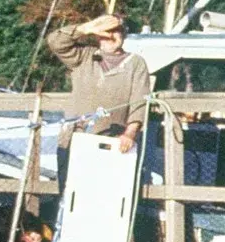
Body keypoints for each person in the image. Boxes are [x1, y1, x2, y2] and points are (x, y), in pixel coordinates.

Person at [46, 13, 151, 189]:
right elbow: (54, 42)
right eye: (105, 31)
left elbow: (139, 102)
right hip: (74, 140)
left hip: (112, 144)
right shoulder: (83, 56)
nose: (110, 35)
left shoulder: (136, 63)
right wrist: (86, 28)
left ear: (124, 34)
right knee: (69, 194)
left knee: (103, 195)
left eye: (116, 31)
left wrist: (129, 134)